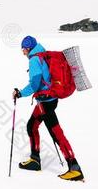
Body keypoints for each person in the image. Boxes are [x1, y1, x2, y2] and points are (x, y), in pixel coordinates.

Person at [12, 35, 84, 181]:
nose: (23, 52)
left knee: (56, 133)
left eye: (23, 49)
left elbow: (35, 84)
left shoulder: (34, 60)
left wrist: (20, 93)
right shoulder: (43, 54)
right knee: (31, 126)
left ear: (27, 48)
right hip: (49, 100)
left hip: (45, 102)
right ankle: (35, 160)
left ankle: (74, 168)